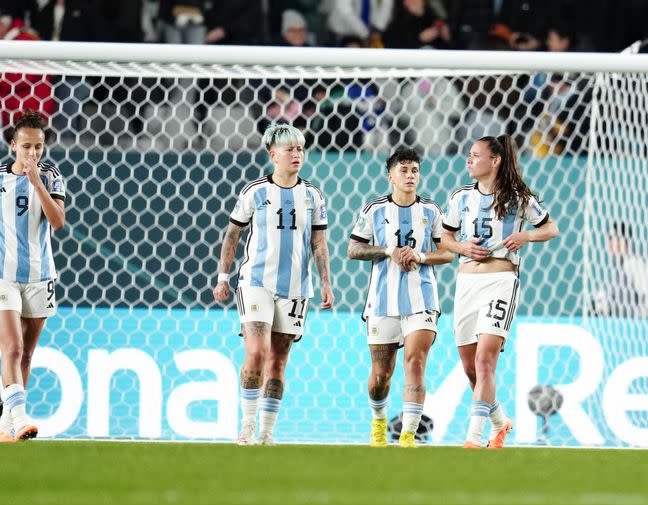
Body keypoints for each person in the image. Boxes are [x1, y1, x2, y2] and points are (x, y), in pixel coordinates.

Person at [213, 123, 334, 446]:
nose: (297, 154)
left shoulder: (313, 195)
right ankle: (247, 426)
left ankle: (267, 431)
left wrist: (326, 283)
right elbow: (233, 234)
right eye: (290, 149)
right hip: (256, 283)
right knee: (256, 352)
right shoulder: (255, 192)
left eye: (300, 149)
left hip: (296, 288)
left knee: (279, 362)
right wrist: (223, 277)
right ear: (273, 155)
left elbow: (319, 243)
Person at [440, 134, 559, 449]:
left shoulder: (518, 196)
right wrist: (461, 246)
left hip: (501, 282)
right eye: (469, 154)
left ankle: (473, 439)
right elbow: (445, 239)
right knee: (470, 369)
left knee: (484, 360)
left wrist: (526, 237)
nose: (469, 159)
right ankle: (501, 422)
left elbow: (550, 228)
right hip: (466, 283)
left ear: (495, 160)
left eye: (475, 154)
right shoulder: (459, 198)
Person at [348, 148, 452, 447]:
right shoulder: (374, 211)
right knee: (381, 375)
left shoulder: (431, 211)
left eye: (415, 170)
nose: (410, 176)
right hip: (382, 301)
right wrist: (387, 250)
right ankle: (379, 422)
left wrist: (419, 255)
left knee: (415, 362)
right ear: (390, 175)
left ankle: (408, 435)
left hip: (422, 300)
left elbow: (447, 252)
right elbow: (354, 249)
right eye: (404, 170)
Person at [0, 110, 66, 442]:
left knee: (26, 353)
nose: (33, 153)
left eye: (39, 147)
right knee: (11, 347)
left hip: (40, 276)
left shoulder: (51, 177)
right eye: (27, 146)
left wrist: (37, 183)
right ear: (12, 145)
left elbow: (57, 221)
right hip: (1, 274)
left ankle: (5, 424)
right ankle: (21, 417)